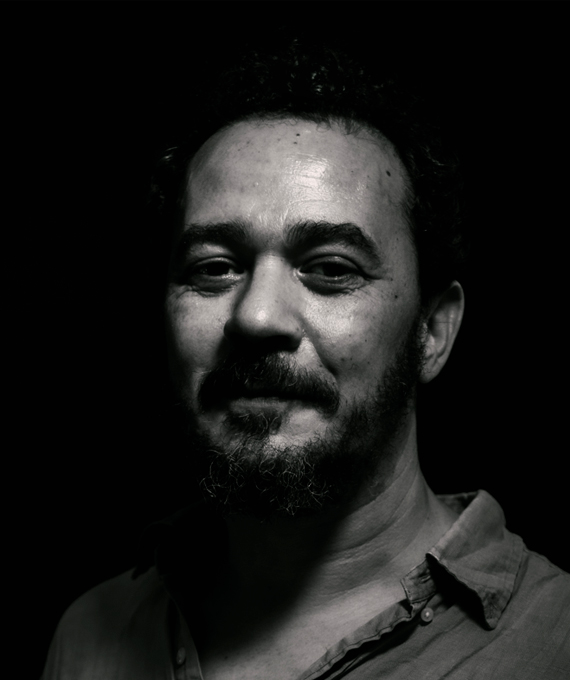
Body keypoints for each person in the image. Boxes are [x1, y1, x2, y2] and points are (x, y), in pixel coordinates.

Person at [42, 38, 570, 679]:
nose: (257, 316)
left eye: (331, 269)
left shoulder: (556, 644)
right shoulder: (89, 639)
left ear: (431, 331)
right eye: (214, 268)